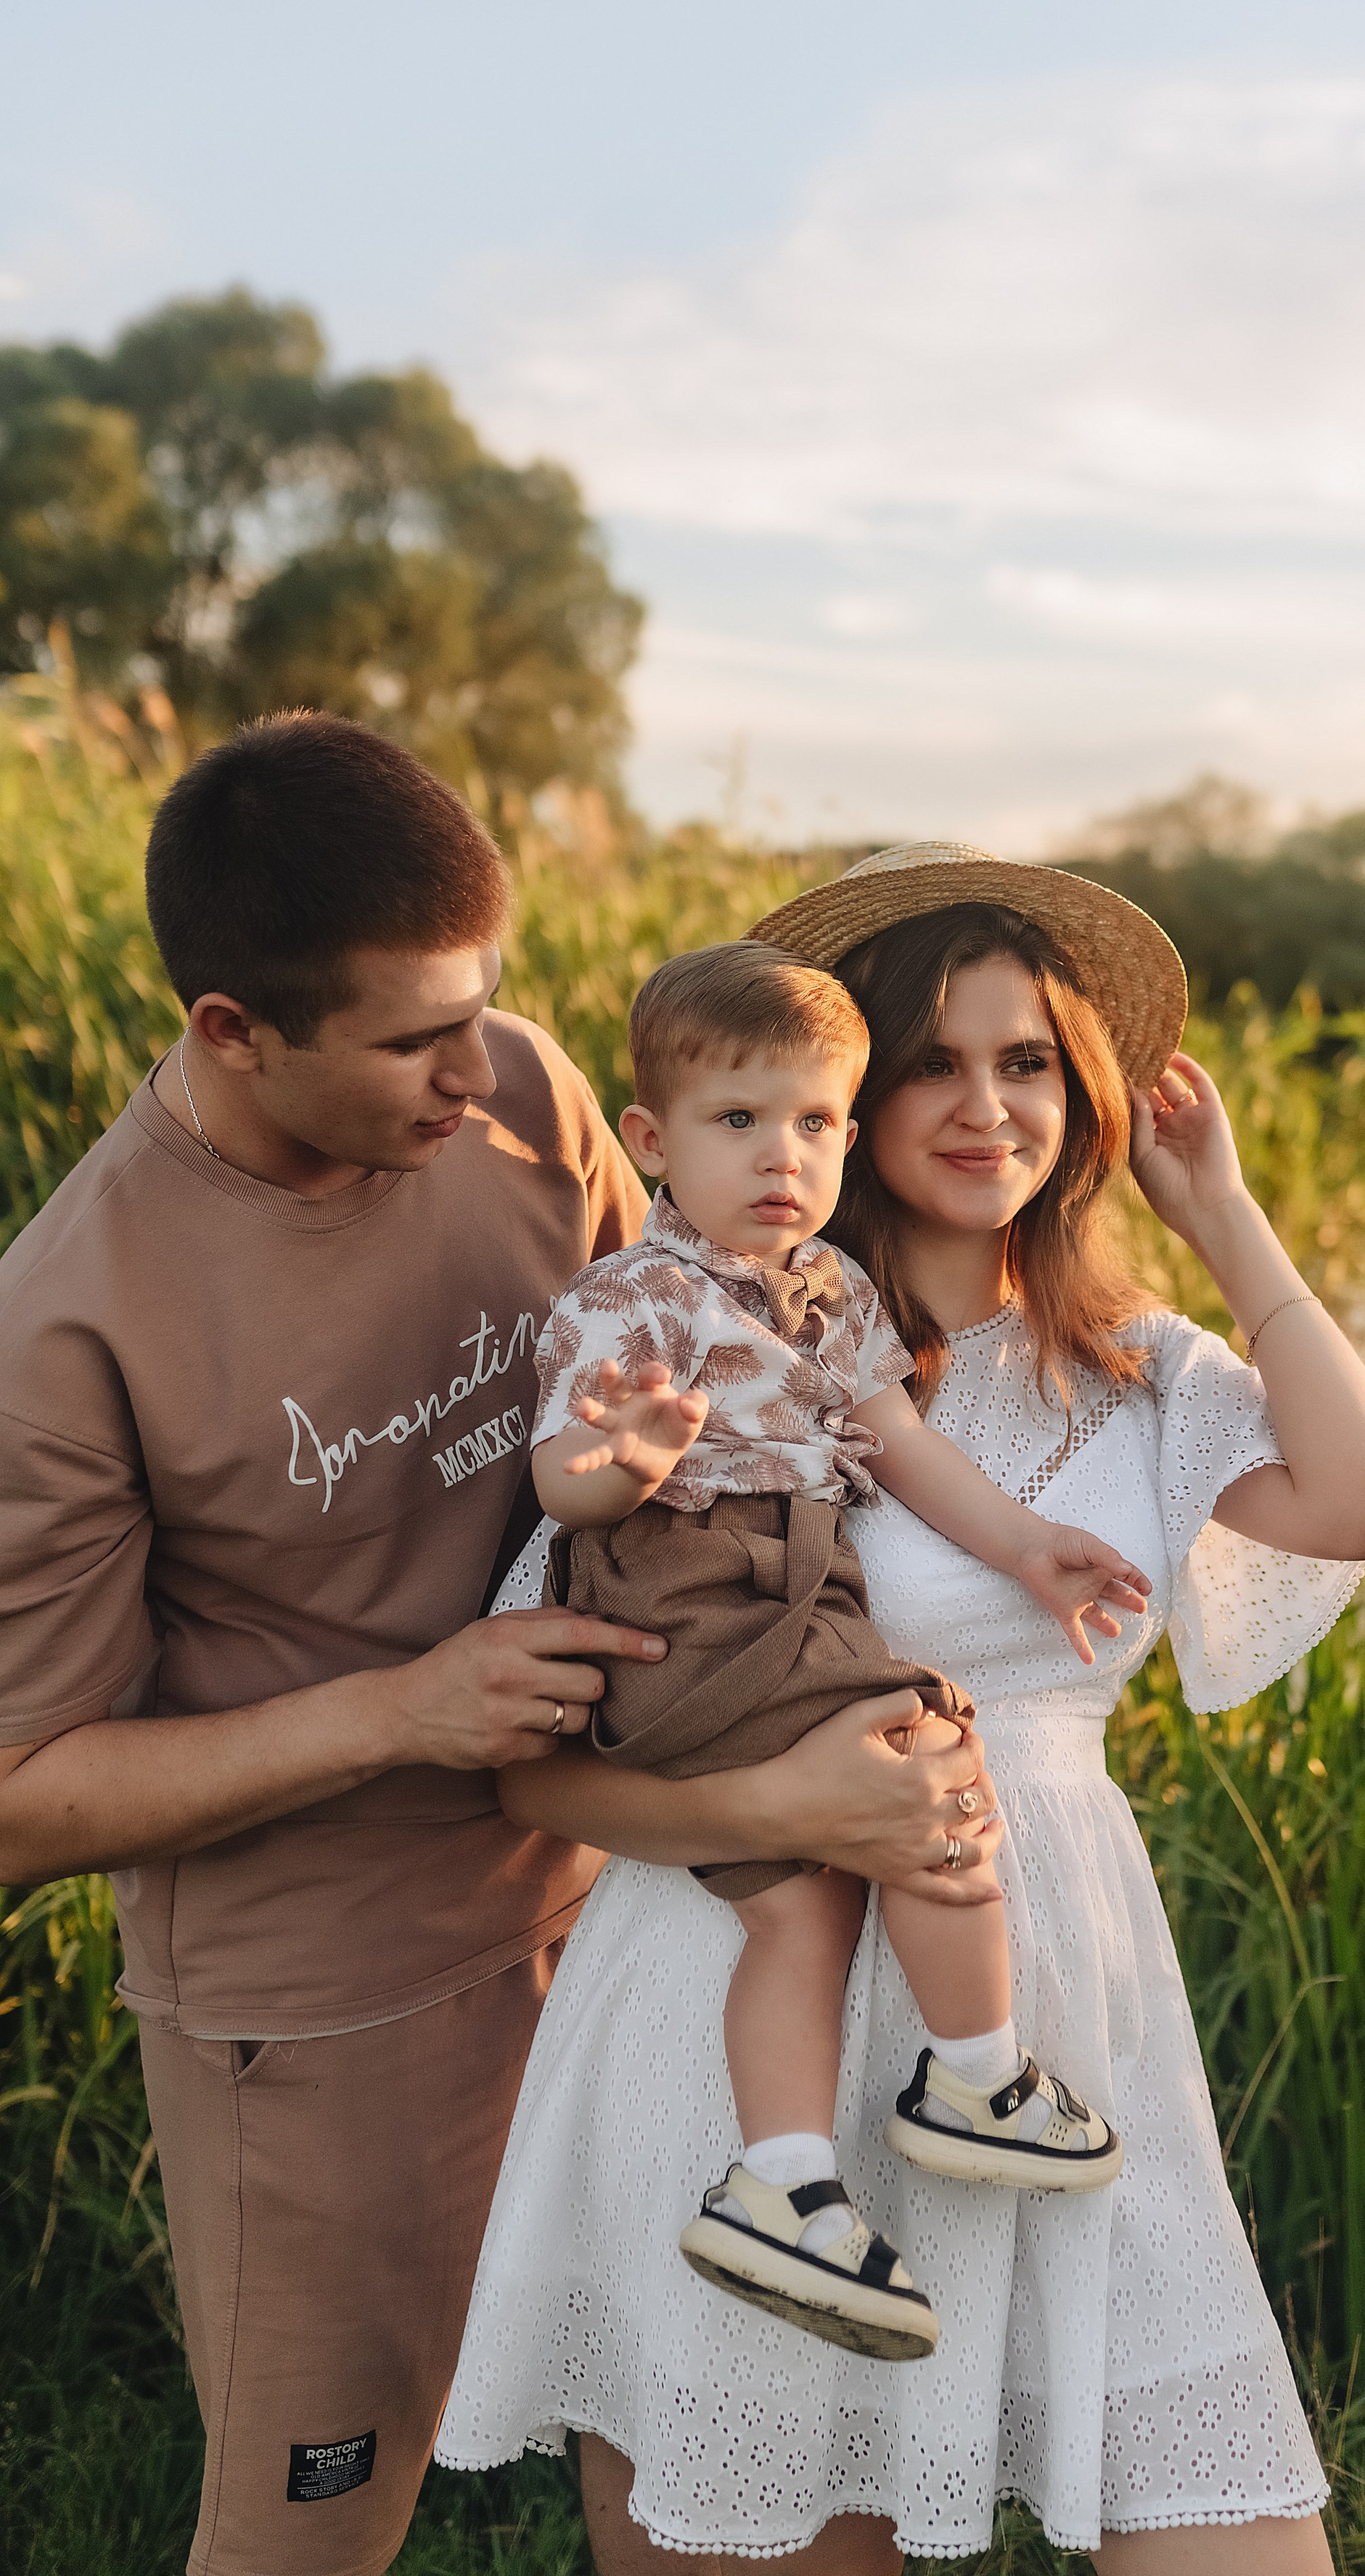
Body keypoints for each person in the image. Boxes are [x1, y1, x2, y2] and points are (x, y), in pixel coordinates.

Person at [0, 736, 1004, 2576]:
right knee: (319, 2509)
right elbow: (19, 1793)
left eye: (486, 1009)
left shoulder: (536, 1092)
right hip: (333, 2006)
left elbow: (737, 1398)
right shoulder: (77, 1317)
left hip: (634, 1899)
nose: (482, 1076)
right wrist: (406, 1707)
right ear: (233, 1028)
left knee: (681, 2454)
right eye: (410, 1043)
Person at [437, 841, 1365, 2576]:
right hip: (749, 2021)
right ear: (841, 1091)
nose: (987, 1107)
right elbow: (533, 1774)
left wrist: (1225, 1219)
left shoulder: (1144, 1374)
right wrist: (786, 1814)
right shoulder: (729, 1352)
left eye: (1030, 1060)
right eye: (934, 1064)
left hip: (1063, 2033)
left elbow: (1364, 1502)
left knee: (1239, 2535)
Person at [533, 940, 1138, 2358]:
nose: (778, 1155)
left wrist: (1026, 1544)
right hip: (693, 1596)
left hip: (783, 1600)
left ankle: (783, 2181)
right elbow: (563, 1479)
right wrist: (618, 1460)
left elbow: (905, 1448)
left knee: (797, 1908)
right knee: (927, 1760)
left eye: (810, 1123)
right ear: (650, 1140)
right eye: (736, 1121)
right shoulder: (625, 1299)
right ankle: (976, 2078)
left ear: (846, 1138)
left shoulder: (833, 1294)